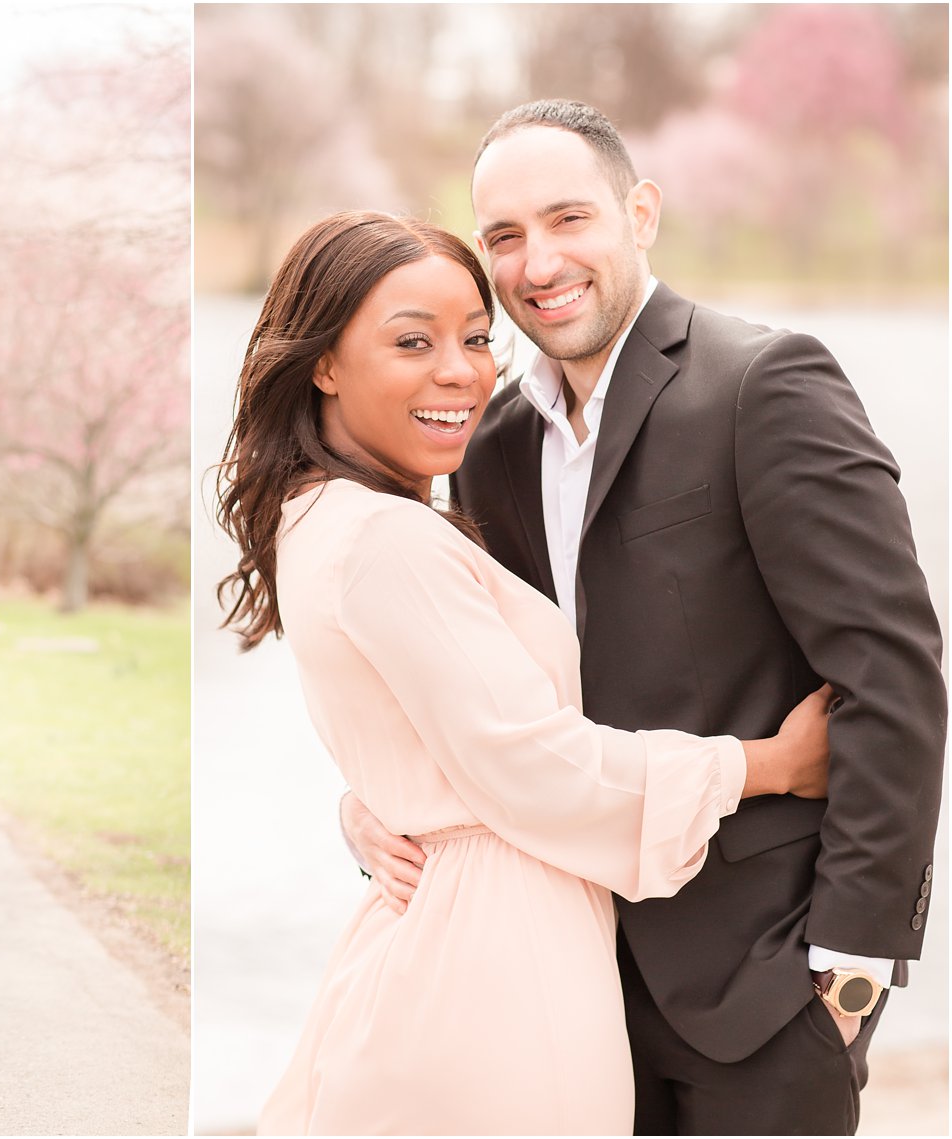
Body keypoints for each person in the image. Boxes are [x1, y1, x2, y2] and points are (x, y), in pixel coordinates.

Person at [341, 100, 946, 1135]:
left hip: (761, 990)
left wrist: (847, 972)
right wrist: (369, 808)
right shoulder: (490, 444)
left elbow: (892, 677)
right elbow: (480, 690)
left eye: (567, 219)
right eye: (504, 236)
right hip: (562, 981)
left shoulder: (763, 382)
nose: (537, 262)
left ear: (639, 213)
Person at [215, 209, 833, 1135]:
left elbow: (414, 725)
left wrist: (370, 802)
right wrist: (769, 765)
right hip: (496, 962)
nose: (461, 372)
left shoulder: (317, 516)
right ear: (325, 363)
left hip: (452, 925)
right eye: (412, 342)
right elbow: (536, 764)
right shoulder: (384, 536)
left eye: (475, 338)